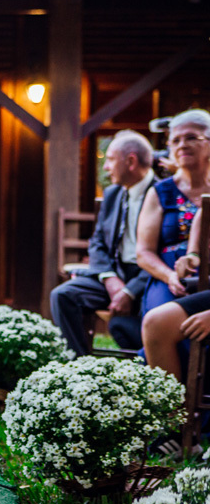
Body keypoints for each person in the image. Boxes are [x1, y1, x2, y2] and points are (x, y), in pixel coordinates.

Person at [49, 130, 155, 355]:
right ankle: (79, 364)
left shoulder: (162, 193)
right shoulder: (113, 194)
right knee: (63, 295)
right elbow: (97, 242)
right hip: (115, 275)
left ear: (131, 162)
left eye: (111, 160)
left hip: (150, 280)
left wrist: (130, 291)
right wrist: (109, 278)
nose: (106, 167)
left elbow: (165, 254)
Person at [137, 109, 210, 316]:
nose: (182, 145)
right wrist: (170, 276)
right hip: (169, 278)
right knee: (164, 317)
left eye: (191, 137)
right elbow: (143, 252)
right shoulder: (160, 192)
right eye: (175, 140)